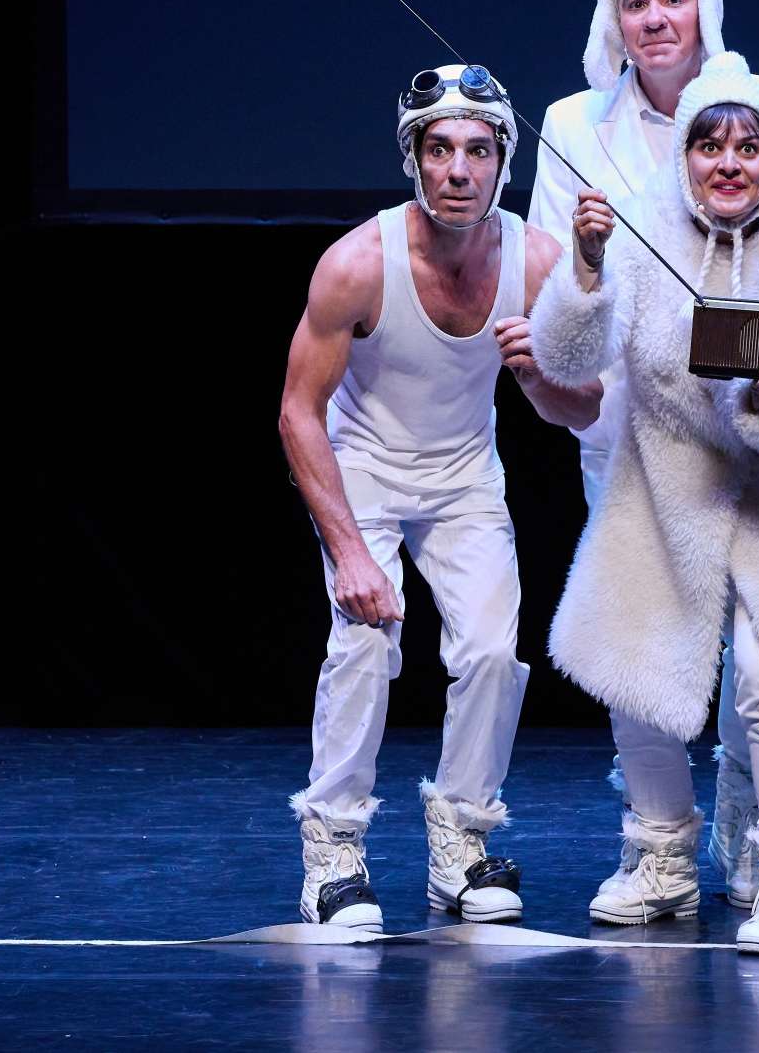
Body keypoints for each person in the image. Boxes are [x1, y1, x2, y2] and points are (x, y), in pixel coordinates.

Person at [529, 53, 759, 954]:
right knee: (639, 671)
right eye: (709, 145)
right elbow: (568, 361)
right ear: (683, 154)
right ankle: (662, 856)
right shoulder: (638, 235)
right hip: (664, 486)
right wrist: (586, 267)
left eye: (748, 147)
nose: (729, 163)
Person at [277, 63, 600, 932]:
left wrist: (540, 372)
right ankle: (332, 848)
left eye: (478, 150)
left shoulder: (536, 260)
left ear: (503, 161)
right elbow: (299, 413)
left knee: (492, 651)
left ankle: (461, 838)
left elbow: (582, 409)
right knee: (364, 641)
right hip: (365, 467)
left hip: (464, 476)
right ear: (413, 159)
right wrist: (350, 551)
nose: (459, 170)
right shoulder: (357, 264)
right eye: (440, 149)